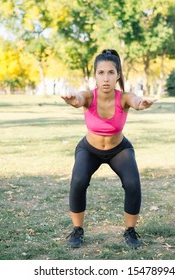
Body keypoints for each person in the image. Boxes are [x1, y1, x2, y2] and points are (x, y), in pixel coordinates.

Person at [61, 49, 157, 249]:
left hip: (118, 149)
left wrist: (143, 103)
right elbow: (78, 99)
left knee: (132, 183)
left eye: (111, 72)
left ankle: (130, 231)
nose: (106, 78)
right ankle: (77, 230)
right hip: (89, 149)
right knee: (78, 181)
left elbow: (136, 101)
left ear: (118, 75)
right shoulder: (88, 96)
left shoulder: (123, 97)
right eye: (101, 73)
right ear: (95, 75)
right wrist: (72, 100)